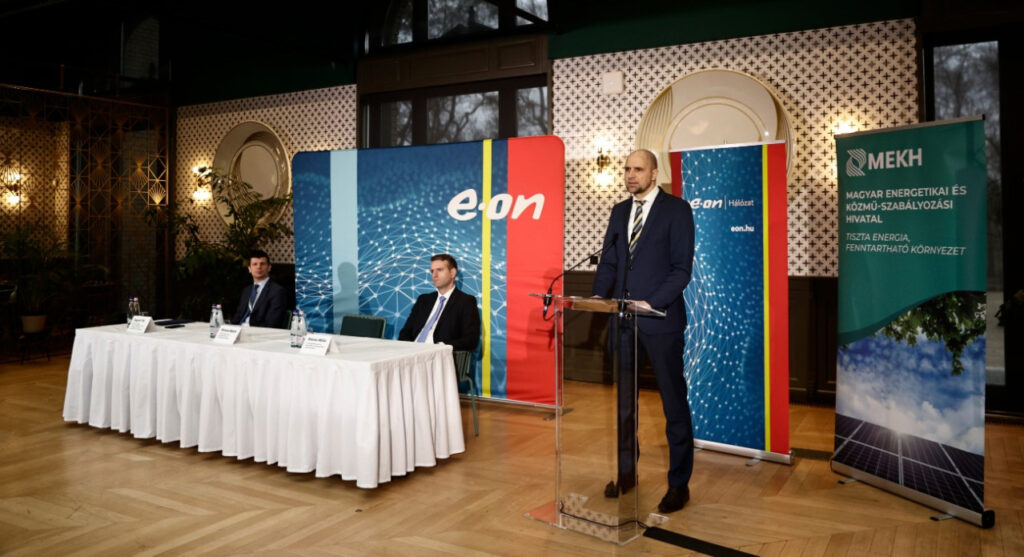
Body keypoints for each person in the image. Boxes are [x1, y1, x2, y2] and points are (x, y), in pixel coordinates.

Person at [592, 149, 696, 513]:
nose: (630, 175)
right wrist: (597, 296)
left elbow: (681, 270)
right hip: (622, 322)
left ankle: (679, 485)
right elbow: (609, 262)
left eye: (638, 169)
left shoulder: (677, 210)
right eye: (626, 169)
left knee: (673, 405)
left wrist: (651, 303)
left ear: (654, 173)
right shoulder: (620, 211)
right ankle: (627, 473)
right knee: (625, 407)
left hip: (661, 321)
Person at [398, 254, 481, 352]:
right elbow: (405, 332)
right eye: (432, 271)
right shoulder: (423, 300)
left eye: (440, 270)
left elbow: (471, 340)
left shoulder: (465, 301)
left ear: (452, 273)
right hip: (411, 352)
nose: (434, 275)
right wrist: (408, 349)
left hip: (438, 354)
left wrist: (441, 347)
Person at [232, 249, 288, 328]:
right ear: (249, 269)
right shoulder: (246, 290)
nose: (258, 267)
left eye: (262, 264)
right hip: (238, 330)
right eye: (255, 264)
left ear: (269, 267)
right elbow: (237, 317)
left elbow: (273, 322)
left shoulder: (277, 291)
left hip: (258, 332)